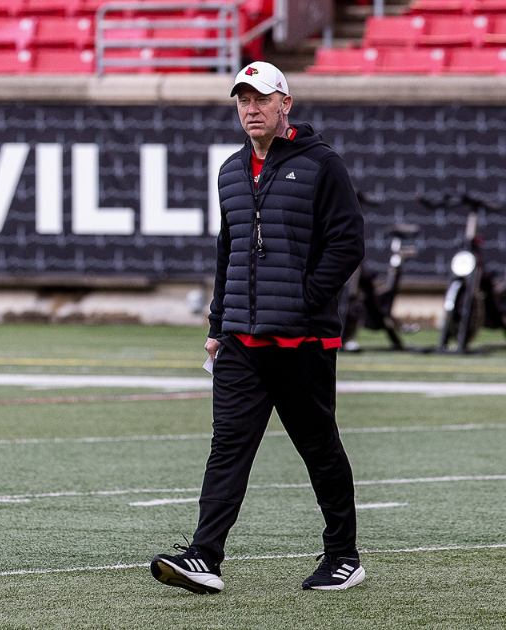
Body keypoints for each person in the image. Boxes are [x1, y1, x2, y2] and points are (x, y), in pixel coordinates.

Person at [149, 61, 366, 594]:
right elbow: (229, 253)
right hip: (241, 342)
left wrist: (305, 299)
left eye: (261, 98)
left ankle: (343, 554)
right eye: (243, 99)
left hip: (301, 340)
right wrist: (218, 324)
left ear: (284, 104)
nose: (251, 108)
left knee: (319, 448)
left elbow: (348, 244)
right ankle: (204, 556)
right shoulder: (229, 170)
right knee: (228, 446)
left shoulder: (322, 165)